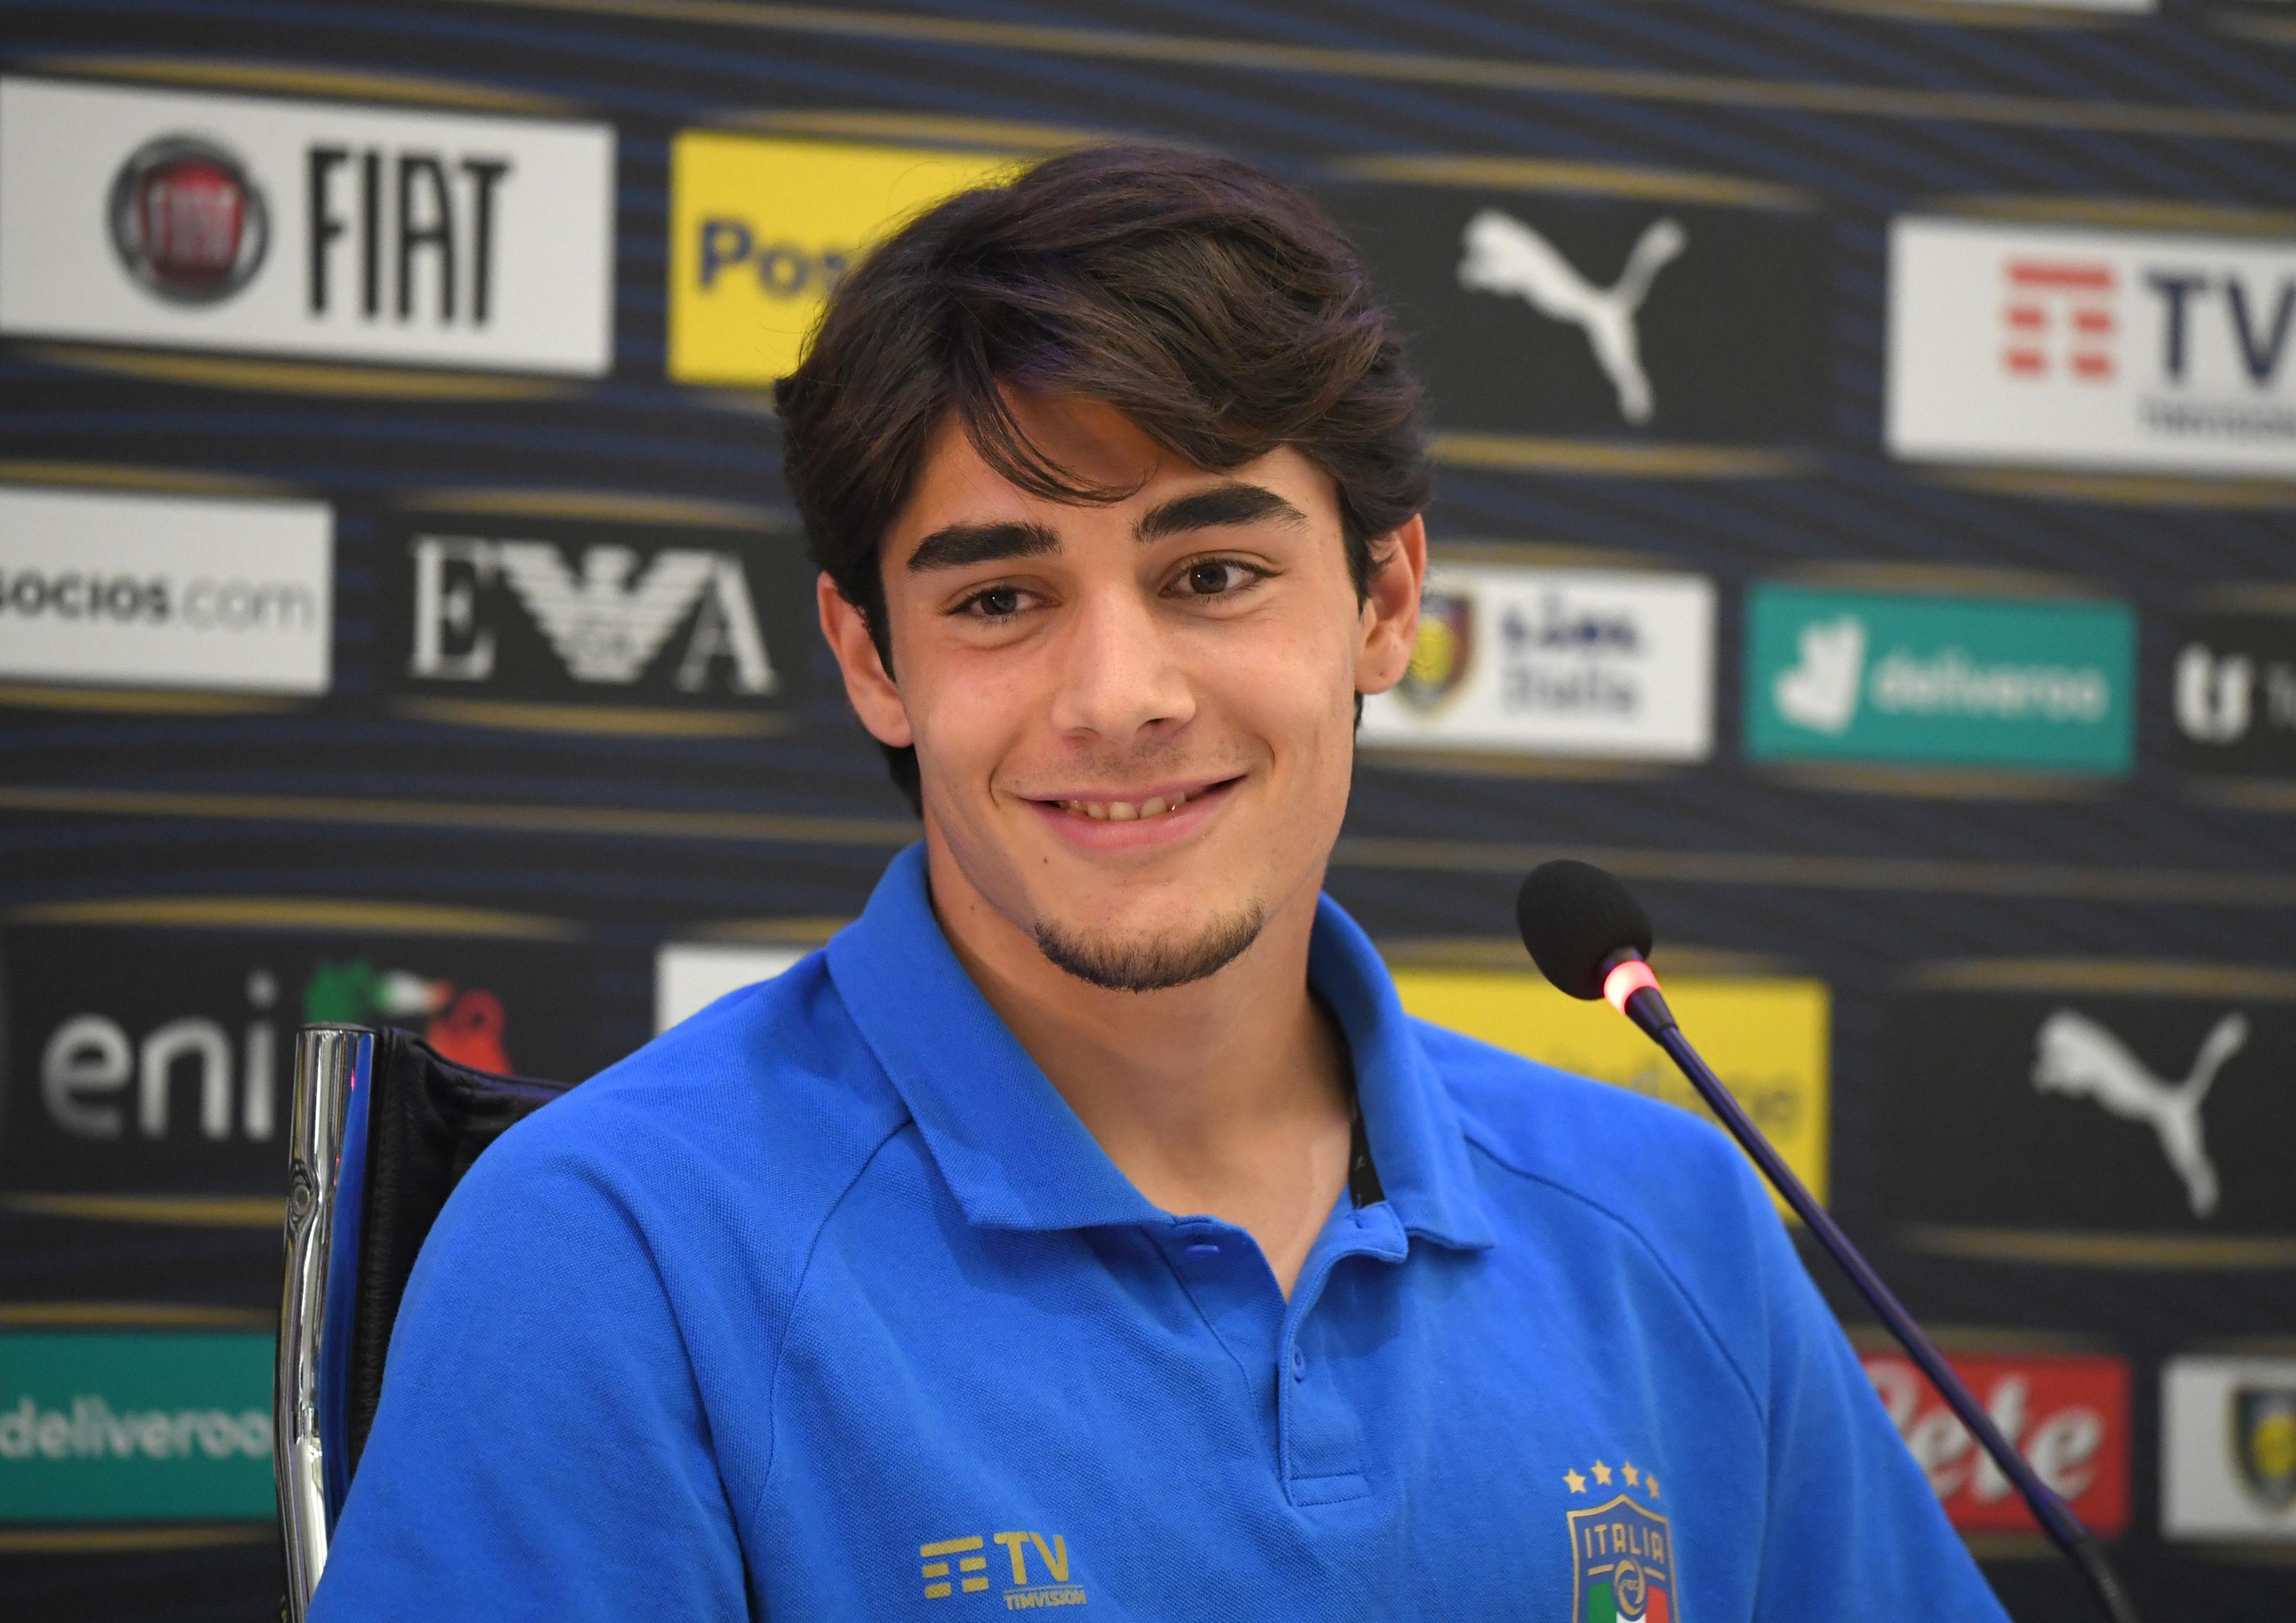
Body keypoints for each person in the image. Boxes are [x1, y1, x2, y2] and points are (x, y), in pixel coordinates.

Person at [313, 144, 2008, 1621]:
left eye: (1209, 571)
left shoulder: (1677, 1228)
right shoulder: (608, 1247)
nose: (1119, 696)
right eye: (999, 600)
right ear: (870, 656)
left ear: (1385, 599)